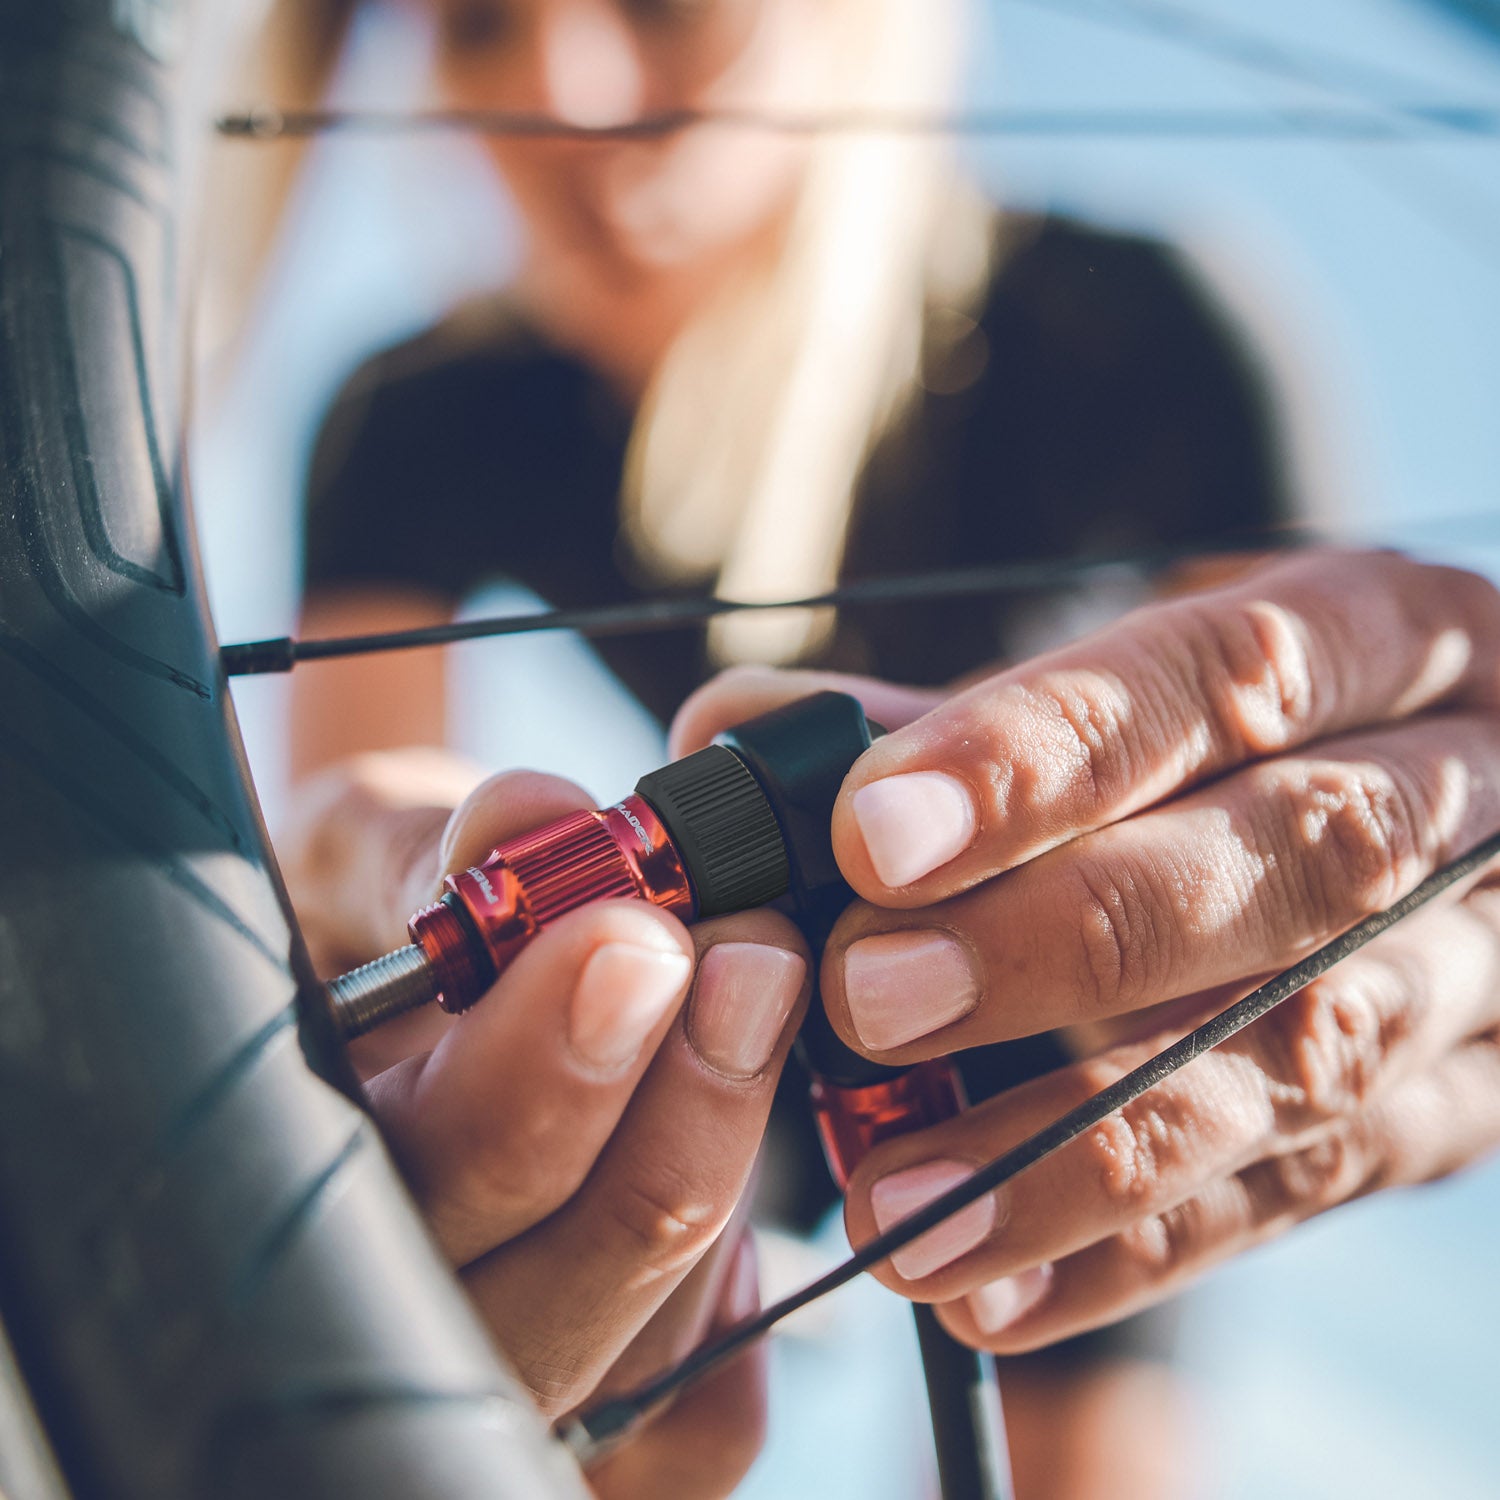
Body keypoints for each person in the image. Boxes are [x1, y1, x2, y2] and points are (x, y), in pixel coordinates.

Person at [242, 0, 1500, 1495]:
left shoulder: (1138, 325)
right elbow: (358, 827)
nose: (565, 92)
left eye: (662, 4)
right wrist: (407, 884)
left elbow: (1304, 811)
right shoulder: (412, 421)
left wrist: (1401, 925)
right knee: (566, 1348)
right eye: (477, 27)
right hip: (717, 973)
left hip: (1080, 1036)